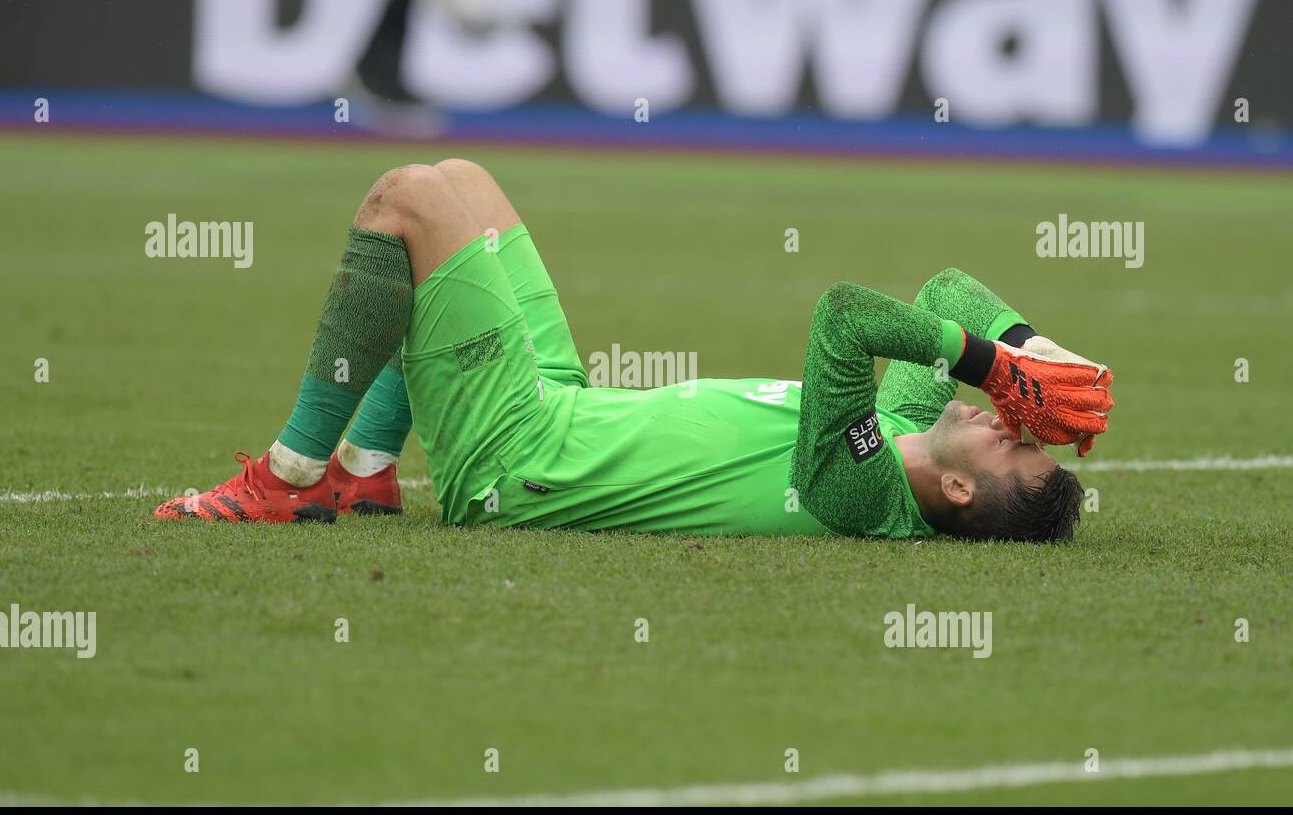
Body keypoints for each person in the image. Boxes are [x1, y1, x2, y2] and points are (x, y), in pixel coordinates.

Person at [154, 160, 1113, 542]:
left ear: (954, 492)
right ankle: (363, 472)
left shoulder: (862, 493)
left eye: (1012, 442)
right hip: (566, 406)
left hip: (521, 461)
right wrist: (1047, 362)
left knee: (405, 199)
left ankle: (289, 474)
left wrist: (991, 364)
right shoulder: (910, 427)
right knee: (466, 183)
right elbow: (947, 289)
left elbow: (844, 318)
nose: (1008, 418)